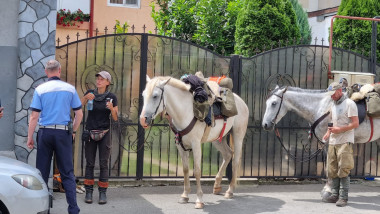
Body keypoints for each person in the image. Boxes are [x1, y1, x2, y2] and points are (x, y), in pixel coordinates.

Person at [27, 59, 83, 214]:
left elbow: (34, 116)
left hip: (45, 133)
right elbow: (79, 114)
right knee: (67, 172)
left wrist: (30, 137)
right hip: (63, 133)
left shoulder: (40, 89)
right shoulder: (70, 89)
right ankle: (73, 209)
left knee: (42, 172)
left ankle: (43, 209)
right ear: (59, 71)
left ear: (46, 72)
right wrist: (73, 131)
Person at [80, 71, 118, 205]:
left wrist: (112, 108)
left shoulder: (111, 97)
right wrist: (85, 98)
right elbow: (79, 106)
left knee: (103, 164)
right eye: (98, 78)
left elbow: (115, 117)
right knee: (89, 163)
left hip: (105, 133)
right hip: (90, 132)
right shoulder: (90, 93)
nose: (99, 81)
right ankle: (89, 192)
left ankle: (103, 194)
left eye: (102, 79)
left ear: (108, 82)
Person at [322, 82, 359, 207]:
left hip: (345, 140)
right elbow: (332, 122)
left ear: (339, 91)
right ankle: (334, 194)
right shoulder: (333, 104)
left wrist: (340, 130)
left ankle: (343, 198)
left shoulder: (349, 104)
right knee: (332, 169)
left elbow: (355, 123)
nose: (331, 97)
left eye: (333, 94)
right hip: (333, 141)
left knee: (343, 168)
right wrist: (328, 133)